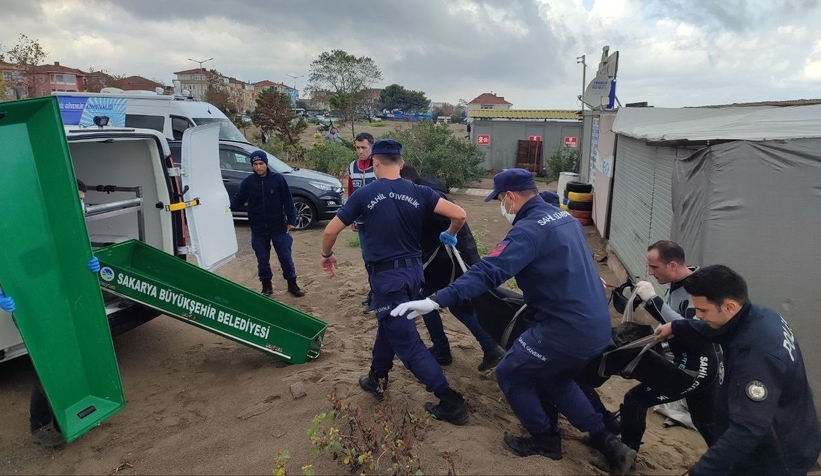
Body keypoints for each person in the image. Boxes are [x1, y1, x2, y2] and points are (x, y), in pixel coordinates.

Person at [393, 169, 636, 474]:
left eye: (500, 200)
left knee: (511, 373)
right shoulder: (564, 218)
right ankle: (610, 444)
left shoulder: (528, 231)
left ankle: (545, 440)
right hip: (596, 323)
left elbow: (489, 272)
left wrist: (435, 299)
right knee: (556, 377)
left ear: (510, 197)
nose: (502, 206)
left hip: (565, 329)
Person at [320, 139, 471, 426]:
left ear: (375, 162)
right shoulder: (420, 191)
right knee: (389, 322)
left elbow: (330, 230)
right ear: (400, 163)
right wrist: (449, 234)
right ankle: (376, 377)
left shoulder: (364, 195)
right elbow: (459, 214)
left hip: (387, 278)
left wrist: (326, 255)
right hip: (414, 273)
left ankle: (450, 400)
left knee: (407, 341)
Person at [655, 265, 821, 475]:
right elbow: (720, 329)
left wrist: (701, 472)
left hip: (774, 456)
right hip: (787, 429)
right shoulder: (759, 315)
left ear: (729, 306)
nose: (698, 315)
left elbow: (747, 429)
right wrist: (677, 327)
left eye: (703, 310)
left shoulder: (754, 356)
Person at [399, 165, 506, 371]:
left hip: (448, 261)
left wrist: (448, 233)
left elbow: (456, 216)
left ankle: (452, 349)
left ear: (407, 183)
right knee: (450, 303)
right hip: (451, 258)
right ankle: (481, 347)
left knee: (433, 301)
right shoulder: (430, 190)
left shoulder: (428, 198)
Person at [618, 240, 721, 453]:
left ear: (673, 265)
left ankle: (623, 457)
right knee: (706, 423)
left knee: (635, 399)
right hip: (700, 364)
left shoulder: (699, 289)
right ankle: (733, 465)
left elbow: (693, 328)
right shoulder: (682, 283)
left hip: (696, 366)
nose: (650, 272)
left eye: (654, 267)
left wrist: (653, 301)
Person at [230, 150, 304, 298]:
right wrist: (223, 210)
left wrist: (291, 220)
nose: (258, 167)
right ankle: (266, 286)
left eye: (261, 164)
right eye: (255, 164)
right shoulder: (248, 182)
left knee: (285, 257)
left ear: (266, 164)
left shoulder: (278, 179)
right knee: (262, 259)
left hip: (278, 227)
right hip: (258, 229)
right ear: (252, 166)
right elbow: (237, 200)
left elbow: (288, 200)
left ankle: (292, 284)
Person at [347, 133, 377, 313]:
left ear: (371, 147)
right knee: (368, 259)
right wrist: (350, 216)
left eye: (364, 147)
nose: (360, 151)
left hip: (379, 222)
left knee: (379, 259)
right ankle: (373, 292)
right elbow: (351, 193)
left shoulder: (379, 165)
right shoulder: (352, 166)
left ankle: (379, 296)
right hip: (362, 222)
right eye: (357, 148)